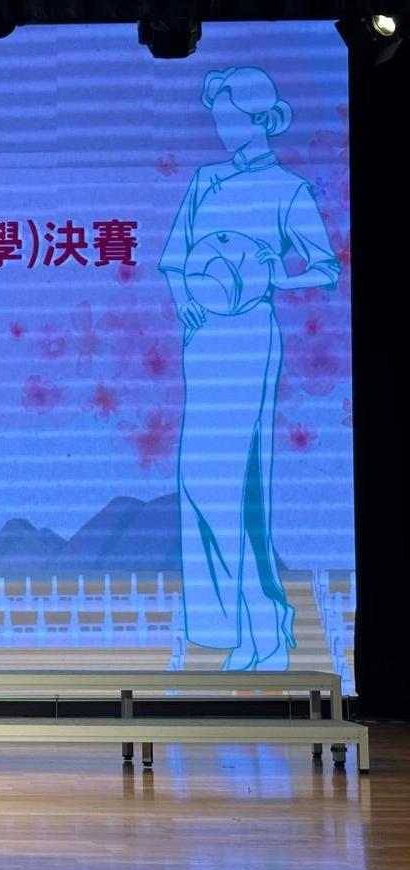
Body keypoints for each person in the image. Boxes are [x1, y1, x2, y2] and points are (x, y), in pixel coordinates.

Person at [160, 67, 340, 670]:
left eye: (232, 116)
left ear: (262, 118)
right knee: (197, 479)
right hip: (203, 338)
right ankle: (240, 623)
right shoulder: (205, 180)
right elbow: (175, 260)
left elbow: (326, 268)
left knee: (233, 483)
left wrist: (275, 275)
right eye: (218, 116)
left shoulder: (287, 190)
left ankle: (259, 627)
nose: (222, 127)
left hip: (249, 336)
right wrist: (184, 297)